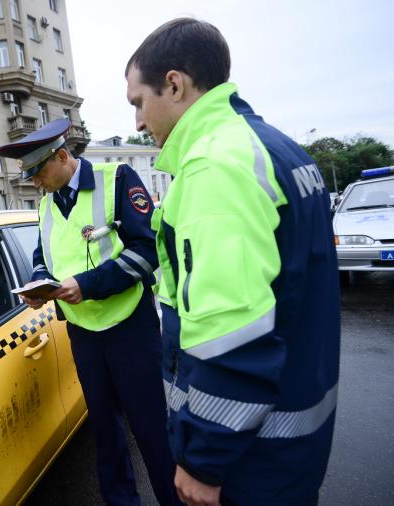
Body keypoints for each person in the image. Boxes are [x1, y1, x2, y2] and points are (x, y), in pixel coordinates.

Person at [125, 18, 340, 506]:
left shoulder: (214, 166)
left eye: (139, 102)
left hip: (248, 456)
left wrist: (204, 459)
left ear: (174, 84)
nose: (138, 122)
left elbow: (233, 339)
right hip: (291, 436)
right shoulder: (276, 148)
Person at [0, 119, 179, 506]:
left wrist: (88, 284)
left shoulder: (117, 179)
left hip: (130, 328)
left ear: (63, 156)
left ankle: (173, 500)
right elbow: (42, 256)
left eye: (37, 172)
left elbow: (147, 253)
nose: (34, 183)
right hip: (83, 334)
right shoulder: (47, 203)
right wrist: (39, 284)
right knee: (105, 431)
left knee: (150, 429)